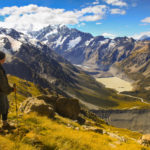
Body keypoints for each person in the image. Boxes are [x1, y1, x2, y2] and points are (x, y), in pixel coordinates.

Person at [0, 51, 16, 129]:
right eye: (4, 58)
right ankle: (5, 124)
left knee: (5, 107)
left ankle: (5, 123)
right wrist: (11, 90)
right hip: (1, 93)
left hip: (2, 92)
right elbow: (2, 83)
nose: (5, 59)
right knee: (4, 107)